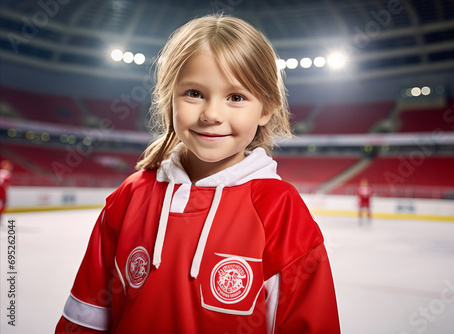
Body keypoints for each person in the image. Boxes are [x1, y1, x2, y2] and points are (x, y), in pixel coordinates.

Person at [56, 15, 341, 334]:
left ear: (266, 109)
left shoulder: (281, 211)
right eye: (194, 93)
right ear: (169, 99)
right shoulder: (130, 196)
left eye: (236, 97)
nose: (211, 115)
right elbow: (85, 319)